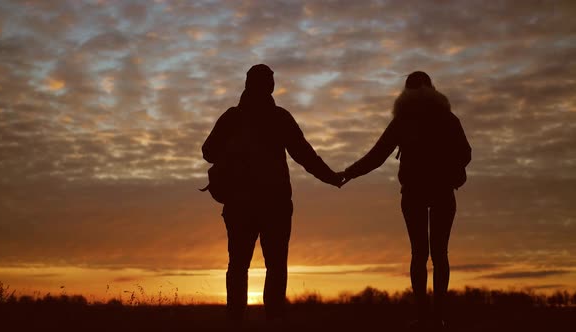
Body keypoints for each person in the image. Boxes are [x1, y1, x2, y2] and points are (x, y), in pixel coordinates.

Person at [202, 64, 343, 325]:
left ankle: (235, 322)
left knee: (238, 266)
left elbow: (208, 151)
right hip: (274, 204)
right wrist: (332, 177)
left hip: (239, 204)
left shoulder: (232, 117)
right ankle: (275, 321)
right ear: (270, 87)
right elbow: (304, 155)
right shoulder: (279, 118)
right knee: (276, 266)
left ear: (246, 85)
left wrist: (232, 149)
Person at [340, 71, 471, 330]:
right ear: (431, 88)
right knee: (440, 254)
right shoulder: (447, 118)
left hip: (414, 193)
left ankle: (423, 317)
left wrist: (347, 173)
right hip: (443, 191)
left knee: (419, 254)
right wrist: (452, 173)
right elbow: (465, 153)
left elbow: (376, 156)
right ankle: (438, 318)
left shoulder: (403, 121)